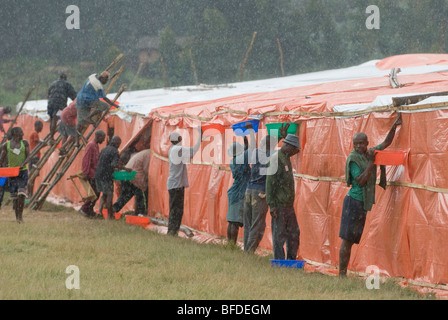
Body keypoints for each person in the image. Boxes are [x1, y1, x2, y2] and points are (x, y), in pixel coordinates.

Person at [338, 113, 402, 277]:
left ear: (367, 144)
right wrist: (372, 163)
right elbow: (361, 180)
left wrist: (395, 125)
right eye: (356, 144)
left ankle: (343, 274)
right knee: (347, 239)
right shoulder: (353, 158)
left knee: (352, 240)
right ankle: (341, 274)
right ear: (353, 145)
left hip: (361, 204)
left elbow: (386, 143)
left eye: (361, 143)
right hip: (352, 202)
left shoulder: (369, 152)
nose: (358, 146)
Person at [243, 127, 289, 253]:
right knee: (257, 225)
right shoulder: (272, 155)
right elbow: (285, 151)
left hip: (249, 190)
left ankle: (246, 250)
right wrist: (284, 137)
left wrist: (251, 132)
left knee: (248, 223)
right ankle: (249, 252)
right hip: (260, 193)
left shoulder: (256, 152)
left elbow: (258, 145)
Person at [266, 134, 301, 260]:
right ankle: (279, 261)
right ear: (287, 146)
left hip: (288, 205)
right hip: (279, 205)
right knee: (279, 235)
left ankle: (291, 260)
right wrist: (272, 205)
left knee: (294, 233)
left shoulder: (286, 158)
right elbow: (270, 183)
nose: (294, 153)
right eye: (294, 150)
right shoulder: (276, 159)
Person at [167, 127, 202, 236]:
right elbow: (193, 151)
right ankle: (172, 232)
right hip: (176, 185)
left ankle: (173, 231)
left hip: (175, 184)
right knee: (176, 210)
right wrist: (200, 135)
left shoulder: (173, 149)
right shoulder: (177, 150)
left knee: (176, 209)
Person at [76, 72, 119, 143]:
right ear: (102, 78)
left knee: (80, 122)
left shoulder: (92, 76)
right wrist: (114, 105)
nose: (105, 82)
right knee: (105, 106)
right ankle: (89, 117)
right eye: (105, 80)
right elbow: (104, 98)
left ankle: (76, 142)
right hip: (88, 100)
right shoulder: (98, 85)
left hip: (80, 99)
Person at [0, 127, 30, 223]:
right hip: (11, 172)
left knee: (21, 193)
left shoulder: (24, 143)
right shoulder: (6, 145)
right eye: (21, 132)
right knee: (15, 196)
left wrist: (23, 164)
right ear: (15, 133)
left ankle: (20, 217)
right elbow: (1, 159)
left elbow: (29, 156)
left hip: (22, 171)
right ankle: (17, 216)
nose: (23, 134)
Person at [112, 149, 151, 216]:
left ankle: (113, 209)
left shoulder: (145, 153)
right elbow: (146, 169)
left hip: (125, 174)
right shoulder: (150, 155)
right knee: (140, 193)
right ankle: (140, 212)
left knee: (126, 195)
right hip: (134, 174)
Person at [94, 136, 123, 220]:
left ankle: (100, 211)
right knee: (110, 195)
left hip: (98, 174)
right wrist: (123, 168)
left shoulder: (104, 149)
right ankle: (110, 216)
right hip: (106, 176)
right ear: (117, 143)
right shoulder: (115, 151)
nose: (119, 146)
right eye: (119, 144)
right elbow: (113, 165)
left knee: (104, 193)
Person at [78, 130, 106, 218]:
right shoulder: (91, 145)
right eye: (103, 138)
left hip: (95, 173)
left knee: (96, 193)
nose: (103, 140)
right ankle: (84, 209)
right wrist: (85, 172)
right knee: (94, 193)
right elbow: (86, 159)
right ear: (98, 136)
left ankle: (89, 209)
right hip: (91, 173)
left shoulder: (95, 146)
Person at [47, 74, 77, 142]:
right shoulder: (66, 84)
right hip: (59, 103)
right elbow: (74, 96)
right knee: (57, 118)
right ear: (65, 78)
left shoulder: (53, 84)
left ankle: (51, 137)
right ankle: (60, 134)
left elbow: (49, 94)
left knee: (52, 119)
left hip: (51, 103)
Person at [27, 120, 44, 196]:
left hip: (33, 156)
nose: (42, 128)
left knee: (32, 175)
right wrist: (46, 144)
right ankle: (30, 193)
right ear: (37, 126)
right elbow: (38, 145)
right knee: (32, 176)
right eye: (41, 126)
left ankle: (30, 192)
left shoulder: (33, 133)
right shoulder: (35, 134)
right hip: (34, 156)